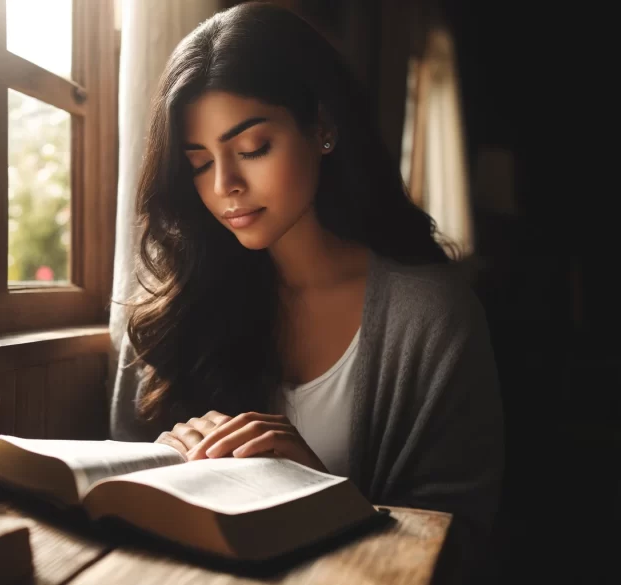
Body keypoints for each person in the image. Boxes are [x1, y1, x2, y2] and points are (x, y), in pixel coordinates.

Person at [109, 1, 504, 580]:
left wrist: (319, 493)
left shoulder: (433, 318)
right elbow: (118, 505)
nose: (226, 187)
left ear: (322, 127)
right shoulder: (174, 308)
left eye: (252, 150)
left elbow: (461, 547)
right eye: (198, 163)